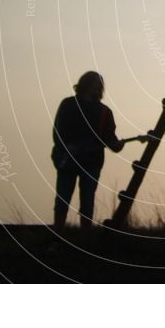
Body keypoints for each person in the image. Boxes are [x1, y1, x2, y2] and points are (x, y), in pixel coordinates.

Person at [51, 71, 124, 236]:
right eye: (93, 83)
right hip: (68, 160)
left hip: (92, 162)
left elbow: (109, 138)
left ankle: (85, 239)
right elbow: (58, 131)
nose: (96, 87)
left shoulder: (105, 112)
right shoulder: (69, 104)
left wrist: (117, 145)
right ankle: (57, 236)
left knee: (87, 201)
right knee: (62, 199)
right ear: (85, 84)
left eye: (99, 84)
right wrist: (66, 147)